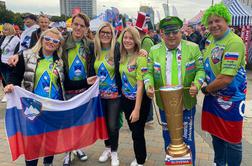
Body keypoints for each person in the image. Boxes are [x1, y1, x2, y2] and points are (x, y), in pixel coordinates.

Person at [144, 16, 205, 165]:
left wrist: (197, 84)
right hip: (165, 105)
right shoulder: (154, 50)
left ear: (181, 32)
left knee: (188, 140)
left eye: (175, 32)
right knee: (169, 139)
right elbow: (148, 73)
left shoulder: (193, 48)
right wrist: (148, 86)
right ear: (162, 34)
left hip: (186, 103)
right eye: (167, 32)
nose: (171, 36)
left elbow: (201, 70)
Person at [4, 27, 64, 166]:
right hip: (32, 105)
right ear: (41, 40)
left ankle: (48, 163)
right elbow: (15, 76)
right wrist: (11, 84)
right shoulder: (27, 56)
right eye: (47, 39)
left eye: (55, 41)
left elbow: (66, 83)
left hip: (53, 107)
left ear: (58, 44)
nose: (51, 42)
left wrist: (85, 82)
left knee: (51, 139)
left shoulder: (60, 62)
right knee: (32, 141)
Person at [201, 3, 247, 166]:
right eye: (210, 22)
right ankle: (219, 162)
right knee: (216, 134)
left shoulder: (234, 42)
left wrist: (206, 89)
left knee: (232, 140)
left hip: (231, 101)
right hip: (214, 99)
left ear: (226, 20)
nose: (214, 25)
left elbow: (226, 78)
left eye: (217, 21)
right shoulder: (211, 40)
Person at [61, 12, 96, 166]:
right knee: (68, 123)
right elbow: (39, 50)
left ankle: (77, 147)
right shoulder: (61, 43)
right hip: (66, 90)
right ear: (71, 24)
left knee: (80, 122)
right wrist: (18, 56)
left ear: (87, 28)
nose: (78, 28)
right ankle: (68, 152)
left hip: (84, 91)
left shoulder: (90, 44)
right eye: (76, 24)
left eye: (82, 26)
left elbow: (110, 50)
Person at [119, 27, 150, 166]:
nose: (127, 40)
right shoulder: (122, 56)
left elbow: (140, 86)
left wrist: (136, 109)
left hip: (139, 101)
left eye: (131, 38)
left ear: (136, 40)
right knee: (134, 131)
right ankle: (140, 155)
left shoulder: (141, 58)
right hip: (126, 100)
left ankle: (140, 160)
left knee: (137, 132)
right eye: (125, 37)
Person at [93, 22, 121, 166]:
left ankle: (115, 152)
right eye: (102, 32)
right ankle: (107, 148)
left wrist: (142, 52)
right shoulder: (95, 50)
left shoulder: (117, 49)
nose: (105, 35)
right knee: (104, 124)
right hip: (99, 96)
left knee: (112, 125)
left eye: (108, 33)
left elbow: (132, 51)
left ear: (112, 35)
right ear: (98, 34)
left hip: (114, 96)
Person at [0, 23, 20, 102]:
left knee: (9, 79)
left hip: (10, 63)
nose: (4, 31)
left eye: (6, 29)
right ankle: (7, 94)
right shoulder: (3, 38)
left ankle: (10, 95)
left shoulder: (16, 39)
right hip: (2, 62)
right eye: (3, 29)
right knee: (4, 80)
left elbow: (18, 51)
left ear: (10, 30)